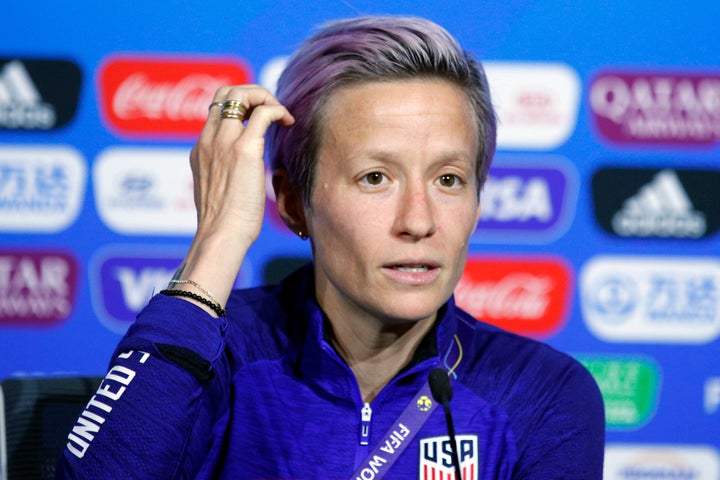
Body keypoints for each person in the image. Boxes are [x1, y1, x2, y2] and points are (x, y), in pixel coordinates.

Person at [57, 15, 604, 479]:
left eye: (448, 180)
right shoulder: (222, 354)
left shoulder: (541, 392)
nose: (418, 221)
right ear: (294, 203)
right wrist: (217, 240)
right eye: (374, 178)